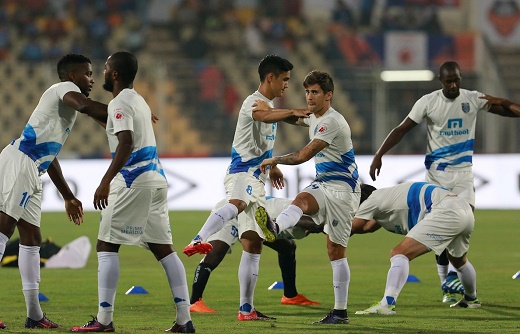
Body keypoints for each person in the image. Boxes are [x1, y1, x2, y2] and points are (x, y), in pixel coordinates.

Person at [369, 61, 520, 303]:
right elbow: (402, 129)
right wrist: (379, 154)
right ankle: (446, 286)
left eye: (457, 80)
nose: (453, 85)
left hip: (462, 176)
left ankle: (452, 277)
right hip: (436, 178)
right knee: (436, 231)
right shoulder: (428, 102)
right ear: (441, 81)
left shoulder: (471, 98)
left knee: (463, 222)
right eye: (449, 81)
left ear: (461, 78)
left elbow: (501, 105)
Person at [69, 52, 194, 333]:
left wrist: (105, 181)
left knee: (106, 245)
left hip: (132, 182)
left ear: (114, 74)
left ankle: (104, 320)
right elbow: (115, 126)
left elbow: (125, 142)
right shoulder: (137, 100)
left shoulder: (120, 103)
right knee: (164, 249)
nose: (101, 72)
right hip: (156, 181)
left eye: (104, 68)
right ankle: (184, 320)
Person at [183, 54, 310, 321]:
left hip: (257, 177)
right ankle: (198, 239)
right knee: (236, 203)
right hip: (241, 174)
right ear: (270, 77)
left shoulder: (271, 106)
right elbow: (264, 116)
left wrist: (272, 163)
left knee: (253, 245)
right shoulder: (253, 103)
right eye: (285, 79)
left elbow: (276, 124)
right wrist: (293, 111)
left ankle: (246, 309)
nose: (287, 85)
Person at [0, 53, 108, 330]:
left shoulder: (63, 110)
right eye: (87, 73)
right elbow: (85, 106)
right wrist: (125, 112)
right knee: (3, 230)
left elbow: (51, 157)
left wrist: (68, 196)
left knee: (32, 238)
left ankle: (34, 315)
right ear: (72, 76)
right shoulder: (63, 90)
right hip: (21, 163)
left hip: (33, 167)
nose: (92, 78)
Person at [257, 70, 361, 325]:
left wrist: (275, 159)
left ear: (329, 95)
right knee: (300, 200)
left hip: (343, 191)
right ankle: (276, 227)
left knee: (335, 251)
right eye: (307, 92)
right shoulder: (315, 116)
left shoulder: (332, 122)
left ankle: (340, 312)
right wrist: (273, 112)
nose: (310, 97)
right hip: (324, 184)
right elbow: (298, 119)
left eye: (315, 92)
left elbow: (304, 155)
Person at [352, 182, 480, 315]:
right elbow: (366, 227)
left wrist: (330, 227)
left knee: (399, 253)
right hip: (464, 209)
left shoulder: (371, 200)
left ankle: (387, 304)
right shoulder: (384, 199)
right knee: (458, 260)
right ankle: (471, 298)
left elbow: (351, 228)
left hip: (446, 211)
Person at [190, 196, 323, 313]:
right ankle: (194, 302)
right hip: (235, 215)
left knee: (287, 247)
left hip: (259, 222)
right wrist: (326, 226)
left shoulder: (306, 215)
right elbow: (317, 225)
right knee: (215, 254)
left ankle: (290, 296)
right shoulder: (293, 212)